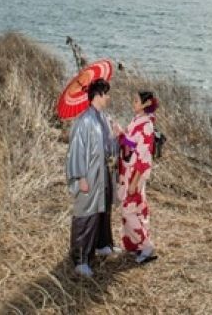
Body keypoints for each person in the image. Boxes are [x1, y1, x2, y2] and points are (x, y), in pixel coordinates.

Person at [65, 78, 123, 277]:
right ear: (97, 95)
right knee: (86, 214)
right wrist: (80, 176)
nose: (108, 97)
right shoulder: (84, 121)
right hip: (89, 175)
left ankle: (102, 244)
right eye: (106, 93)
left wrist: (116, 137)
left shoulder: (104, 118)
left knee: (103, 209)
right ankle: (81, 259)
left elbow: (110, 148)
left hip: (104, 173)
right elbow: (76, 151)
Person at [117, 91, 158, 263]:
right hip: (129, 170)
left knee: (128, 209)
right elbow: (132, 144)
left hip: (136, 173)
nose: (133, 103)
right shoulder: (136, 120)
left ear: (146, 103)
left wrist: (134, 181)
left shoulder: (147, 125)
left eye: (136, 100)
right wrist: (120, 133)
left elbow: (144, 157)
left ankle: (147, 246)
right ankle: (135, 245)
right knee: (136, 208)